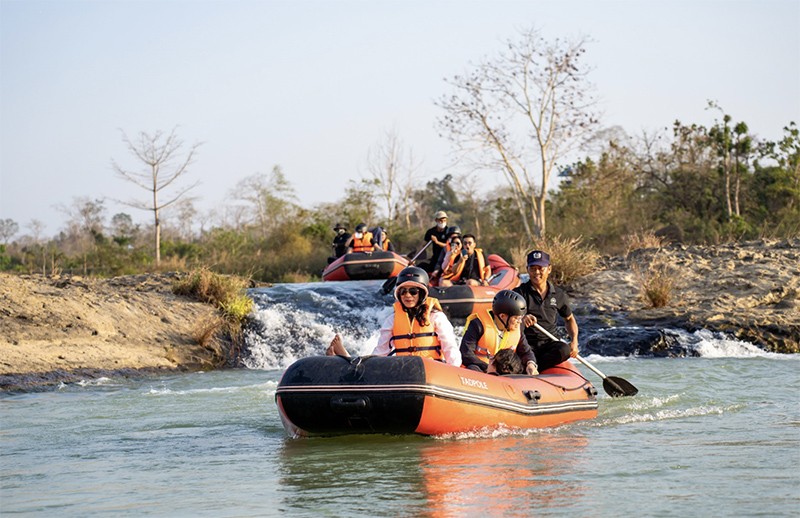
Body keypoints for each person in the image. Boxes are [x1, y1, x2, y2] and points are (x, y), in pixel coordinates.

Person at [326, 266, 461, 366]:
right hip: (403, 371)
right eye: (403, 292)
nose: (407, 295)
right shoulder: (392, 320)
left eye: (413, 291)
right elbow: (380, 351)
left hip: (433, 371)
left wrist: (454, 372)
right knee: (374, 363)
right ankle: (346, 358)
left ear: (421, 294)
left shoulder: (436, 317)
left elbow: (450, 348)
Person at [514, 250, 579, 372]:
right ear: (527, 270)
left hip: (549, 344)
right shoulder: (519, 293)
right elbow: (508, 320)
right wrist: (522, 318)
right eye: (533, 269)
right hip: (526, 344)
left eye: (540, 268)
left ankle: (535, 367)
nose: (536, 272)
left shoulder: (559, 295)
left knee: (564, 350)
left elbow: (569, 319)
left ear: (549, 269)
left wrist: (574, 341)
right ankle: (528, 365)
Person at [460, 290, 538, 375]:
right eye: (516, 318)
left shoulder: (517, 328)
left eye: (520, 318)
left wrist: (530, 364)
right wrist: (489, 367)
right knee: (473, 368)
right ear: (502, 316)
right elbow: (466, 353)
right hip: (481, 369)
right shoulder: (478, 325)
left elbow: (526, 352)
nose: (519, 321)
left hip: (505, 372)